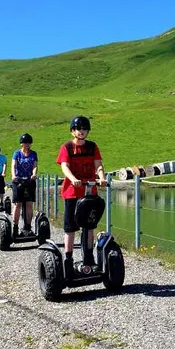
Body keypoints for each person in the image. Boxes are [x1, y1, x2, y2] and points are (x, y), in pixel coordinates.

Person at [57, 115, 106, 278]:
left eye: (84, 129)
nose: (81, 131)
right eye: (78, 129)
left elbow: (98, 164)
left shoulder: (93, 147)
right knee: (70, 226)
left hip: (90, 191)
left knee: (90, 225)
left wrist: (101, 177)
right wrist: (73, 179)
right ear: (72, 131)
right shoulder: (67, 147)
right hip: (72, 192)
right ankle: (69, 259)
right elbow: (64, 166)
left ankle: (88, 258)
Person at [11, 133, 38, 236]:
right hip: (18, 181)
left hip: (29, 180)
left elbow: (35, 166)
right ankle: (15, 227)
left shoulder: (33, 154)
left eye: (29, 143)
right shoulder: (17, 154)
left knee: (29, 203)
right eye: (25, 143)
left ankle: (27, 227)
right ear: (21, 144)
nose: (27, 145)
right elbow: (13, 165)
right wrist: (14, 175)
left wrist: (34, 174)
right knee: (18, 204)